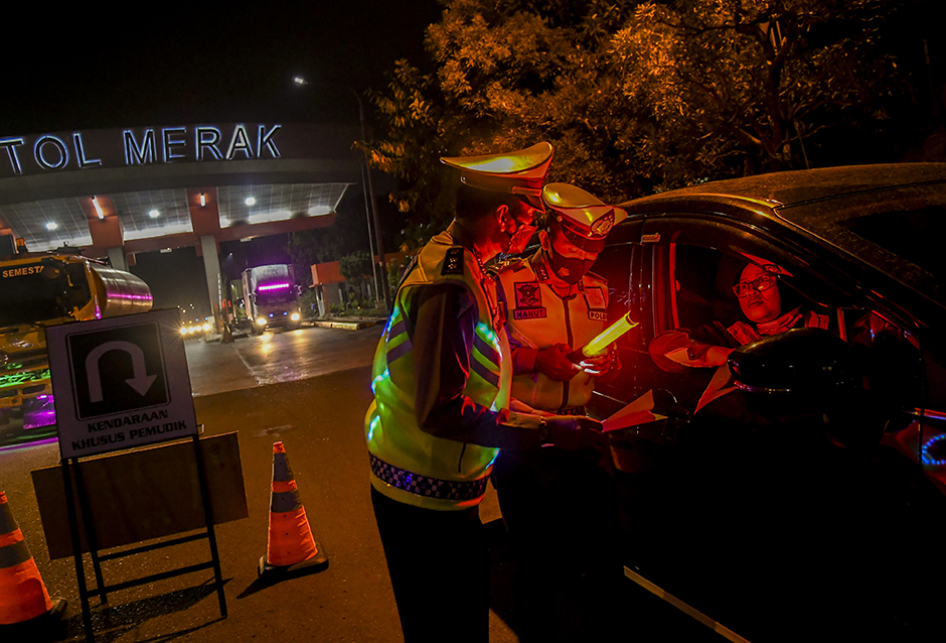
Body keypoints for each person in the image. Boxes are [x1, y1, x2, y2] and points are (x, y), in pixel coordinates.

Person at [364, 143, 603, 643]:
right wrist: (544, 430)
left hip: (439, 494)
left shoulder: (468, 266)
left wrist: (532, 415)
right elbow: (441, 409)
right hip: (422, 503)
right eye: (529, 216)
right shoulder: (450, 283)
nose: (532, 229)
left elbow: (481, 386)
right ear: (503, 215)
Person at [490, 183, 627, 642]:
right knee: (537, 563)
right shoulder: (505, 282)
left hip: (585, 437)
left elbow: (601, 352)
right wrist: (534, 360)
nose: (584, 260)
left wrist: (606, 366)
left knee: (606, 558)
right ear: (548, 235)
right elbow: (480, 350)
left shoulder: (598, 289)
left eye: (593, 251)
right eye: (575, 246)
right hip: (526, 440)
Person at [648, 256, 830, 415]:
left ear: (784, 285)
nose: (751, 291)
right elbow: (660, 348)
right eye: (743, 286)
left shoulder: (825, 322)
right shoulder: (732, 333)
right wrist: (736, 358)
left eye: (762, 280)